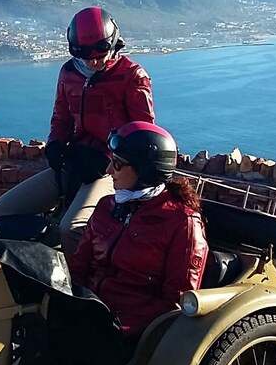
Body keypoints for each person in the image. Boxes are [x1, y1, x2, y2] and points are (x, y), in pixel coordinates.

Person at [0, 7, 155, 257]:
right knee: (4, 209)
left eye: (100, 53)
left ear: (113, 44)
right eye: (84, 54)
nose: (92, 61)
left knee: (72, 228)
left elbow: (143, 134)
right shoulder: (69, 73)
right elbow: (61, 118)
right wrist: (55, 144)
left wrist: (111, 158)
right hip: (75, 161)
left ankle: (73, 287)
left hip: (111, 170)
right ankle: (28, 265)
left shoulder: (132, 76)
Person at [68, 121, 209, 340]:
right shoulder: (107, 205)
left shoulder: (183, 223)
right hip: (89, 310)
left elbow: (176, 303)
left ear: (145, 171)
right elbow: (78, 266)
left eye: (116, 164)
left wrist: (117, 325)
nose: (107, 170)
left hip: (128, 332)